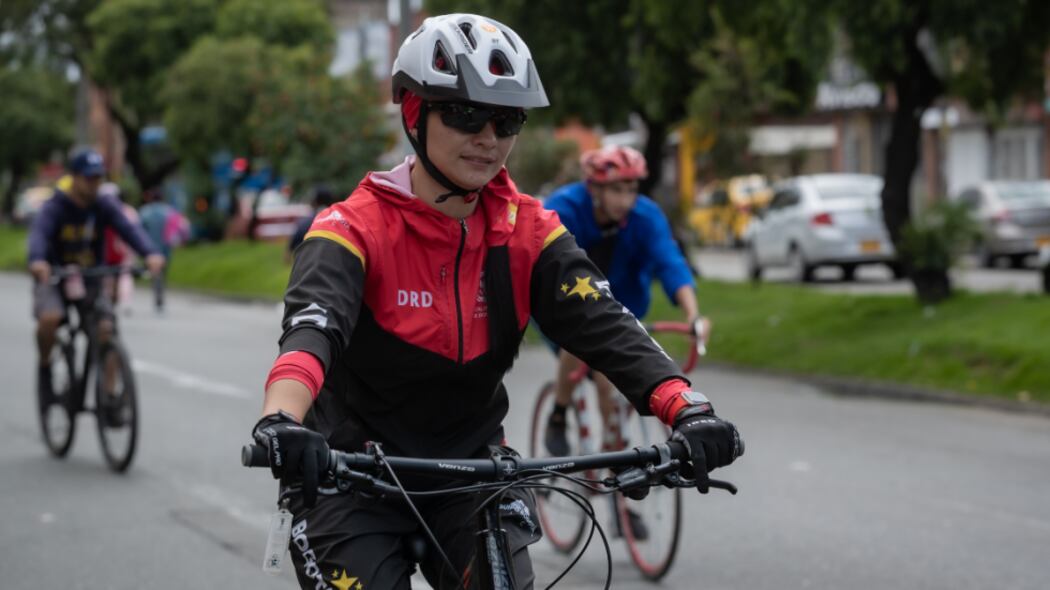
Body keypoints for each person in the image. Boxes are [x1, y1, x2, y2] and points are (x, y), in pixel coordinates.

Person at [250, 13, 742, 590]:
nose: (488, 138)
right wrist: (280, 420)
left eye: (506, 119)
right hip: (352, 475)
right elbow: (311, 332)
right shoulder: (351, 229)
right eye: (464, 114)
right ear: (415, 111)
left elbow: (607, 325)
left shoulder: (528, 232)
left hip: (473, 472)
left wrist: (688, 409)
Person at [541, 145, 710, 459]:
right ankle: (559, 413)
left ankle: (615, 457)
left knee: (619, 387)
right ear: (593, 188)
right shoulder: (564, 208)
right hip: (564, 307)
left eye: (631, 189)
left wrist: (693, 315)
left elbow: (671, 263)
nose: (625, 200)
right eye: (616, 190)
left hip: (624, 310)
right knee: (587, 357)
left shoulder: (645, 216)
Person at [28, 149, 165, 402]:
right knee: (50, 318)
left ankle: (109, 396)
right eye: (88, 178)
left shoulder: (103, 204)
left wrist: (150, 253)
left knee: (106, 330)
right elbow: (39, 235)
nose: (94, 184)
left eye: (98, 178)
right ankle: (45, 366)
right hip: (54, 275)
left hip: (90, 276)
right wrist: (37, 261)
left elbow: (128, 229)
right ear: (74, 177)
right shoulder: (55, 206)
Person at [139, 187, 189, 313]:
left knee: (154, 272)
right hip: (165, 247)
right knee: (163, 272)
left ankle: (157, 293)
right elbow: (180, 227)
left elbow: (139, 229)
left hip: (149, 247)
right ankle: (160, 294)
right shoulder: (169, 212)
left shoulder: (145, 212)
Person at [285, 184, 337, 263]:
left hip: (307, 264)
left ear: (315, 201)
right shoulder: (339, 220)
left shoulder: (305, 222)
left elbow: (292, 245)